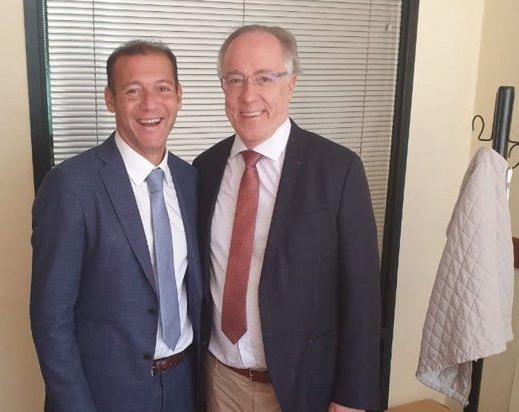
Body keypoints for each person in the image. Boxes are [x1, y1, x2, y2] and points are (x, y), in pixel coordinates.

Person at [193, 25, 381, 412]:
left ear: (291, 84)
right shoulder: (204, 169)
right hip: (218, 381)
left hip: (302, 387)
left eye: (265, 78)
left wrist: (352, 396)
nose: (248, 95)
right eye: (235, 79)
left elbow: (362, 293)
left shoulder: (338, 170)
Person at [30, 40, 202, 412]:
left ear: (179, 96)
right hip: (106, 393)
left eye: (162, 89)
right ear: (110, 99)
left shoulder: (191, 180)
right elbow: (50, 318)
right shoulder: (70, 186)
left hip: (185, 386)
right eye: (133, 91)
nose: (150, 105)